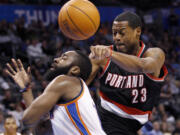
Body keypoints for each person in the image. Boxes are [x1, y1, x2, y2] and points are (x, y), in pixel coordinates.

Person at [87, 11, 168, 135]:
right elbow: (79, 84)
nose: (117, 37)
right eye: (114, 33)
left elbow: (144, 66)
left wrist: (110, 54)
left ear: (138, 31)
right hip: (107, 116)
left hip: (134, 123)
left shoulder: (155, 53)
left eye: (122, 33)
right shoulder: (101, 56)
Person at [5, 50, 106, 135]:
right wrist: (26, 90)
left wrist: (36, 117)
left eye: (64, 58)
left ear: (74, 70)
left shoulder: (66, 81)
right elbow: (39, 130)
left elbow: (28, 119)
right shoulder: (70, 95)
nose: (56, 59)